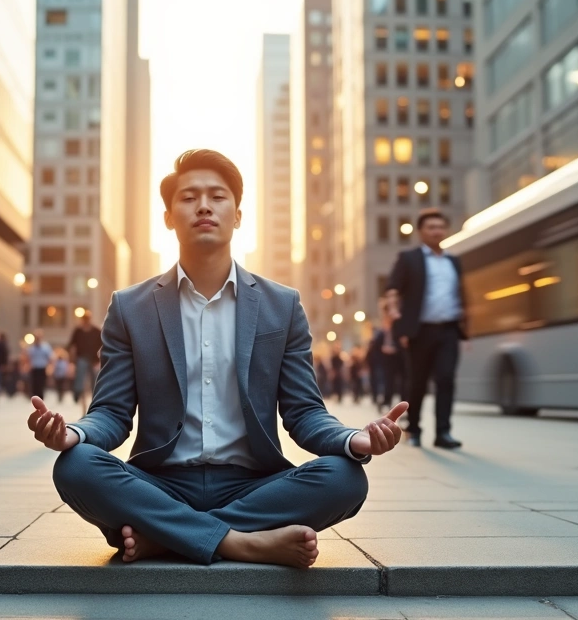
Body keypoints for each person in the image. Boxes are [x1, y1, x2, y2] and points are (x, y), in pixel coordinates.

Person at [27, 149, 408, 568]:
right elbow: (112, 413)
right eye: (189, 197)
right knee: (75, 466)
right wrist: (73, 435)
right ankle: (243, 542)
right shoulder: (130, 307)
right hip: (159, 483)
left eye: (217, 196)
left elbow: (303, 412)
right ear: (169, 217)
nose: (204, 205)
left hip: (252, 485)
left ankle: (167, 537)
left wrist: (354, 440)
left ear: (238, 215)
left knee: (345, 477)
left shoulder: (282, 306)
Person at [384, 208, 469, 449]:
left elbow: (460, 295)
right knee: (417, 382)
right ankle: (415, 429)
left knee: (446, 379)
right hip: (419, 331)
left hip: (449, 330)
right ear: (421, 232)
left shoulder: (454, 261)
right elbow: (393, 288)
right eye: (431, 227)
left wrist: (466, 326)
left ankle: (443, 433)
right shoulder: (408, 258)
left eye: (440, 227)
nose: (436, 231)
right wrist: (393, 310)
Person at [68, 313, 102, 412]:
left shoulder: (96, 331)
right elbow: (72, 345)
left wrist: (99, 359)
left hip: (93, 359)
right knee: (80, 376)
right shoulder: (78, 331)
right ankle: (77, 392)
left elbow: (102, 344)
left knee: (94, 380)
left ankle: (96, 397)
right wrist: (72, 360)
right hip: (82, 357)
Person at [27, 332, 53, 401]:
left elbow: (50, 357)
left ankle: (41, 398)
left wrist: (50, 367)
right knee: (34, 384)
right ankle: (35, 397)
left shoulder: (45, 347)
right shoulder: (32, 348)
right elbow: (28, 358)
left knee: (41, 383)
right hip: (34, 368)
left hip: (42, 368)